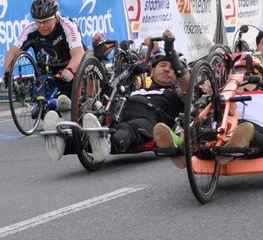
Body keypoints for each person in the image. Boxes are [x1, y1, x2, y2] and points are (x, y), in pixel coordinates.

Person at [42, 30, 192, 165]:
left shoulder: (176, 94)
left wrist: (170, 51)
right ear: (152, 71)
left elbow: (187, 84)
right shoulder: (137, 88)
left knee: (126, 129)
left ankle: (102, 140)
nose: (167, 69)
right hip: (119, 115)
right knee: (99, 112)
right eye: (163, 65)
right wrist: (97, 56)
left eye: (172, 68)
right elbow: (92, 94)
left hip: (147, 122)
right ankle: (62, 140)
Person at [3, 0, 85, 103]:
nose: (41, 25)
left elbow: (78, 54)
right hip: (47, 71)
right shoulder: (30, 29)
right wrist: (7, 73)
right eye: (38, 21)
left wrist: (68, 70)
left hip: (70, 67)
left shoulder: (67, 25)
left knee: (70, 95)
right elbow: (13, 52)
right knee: (39, 111)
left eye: (46, 21)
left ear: (55, 17)